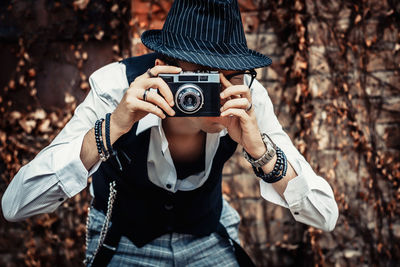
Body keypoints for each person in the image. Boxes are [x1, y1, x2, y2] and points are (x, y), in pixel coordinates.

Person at [2, 0, 338, 266]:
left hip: (207, 234)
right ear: (163, 68)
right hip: (125, 241)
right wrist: (114, 125)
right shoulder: (115, 86)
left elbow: (324, 214)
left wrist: (262, 152)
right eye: (204, 75)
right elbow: (16, 204)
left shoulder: (247, 95)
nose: (218, 91)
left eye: (231, 74)